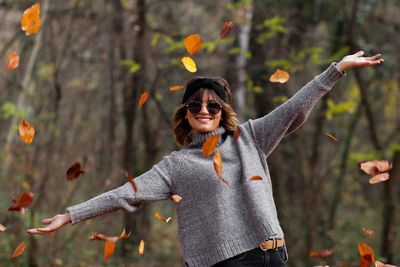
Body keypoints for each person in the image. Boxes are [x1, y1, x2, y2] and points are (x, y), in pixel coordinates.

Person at [27, 51, 383, 267]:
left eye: (213, 105)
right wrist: (70, 215)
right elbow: (126, 192)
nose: (204, 110)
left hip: (275, 255)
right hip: (230, 262)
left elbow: (293, 109)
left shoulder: (250, 137)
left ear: (221, 111)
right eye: (195, 104)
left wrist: (336, 70)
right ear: (185, 112)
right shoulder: (176, 165)